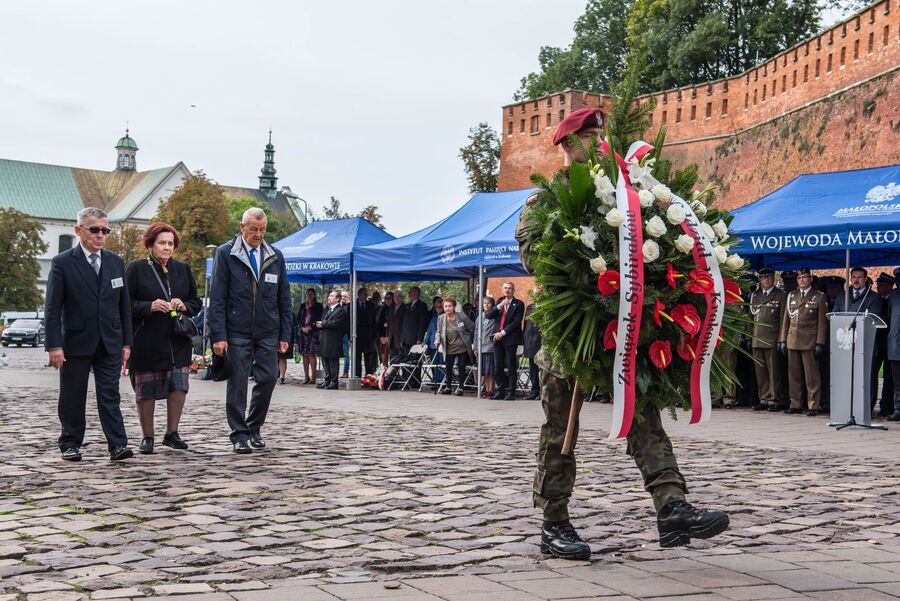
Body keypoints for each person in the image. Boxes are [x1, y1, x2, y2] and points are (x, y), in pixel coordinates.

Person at [516, 107, 728, 560]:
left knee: (642, 410)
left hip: (624, 324)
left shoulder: (625, 193)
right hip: (570, 334)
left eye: (600, 137)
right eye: (589, 138)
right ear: (568, 146)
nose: (597, 145)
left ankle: (672, 507)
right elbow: (536, 260)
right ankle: (554, 523)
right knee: (561, 428)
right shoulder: (543, 204)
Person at [44, 207, 134, 461]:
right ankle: (70, 443)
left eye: (105, 230)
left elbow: (123, 305)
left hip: (110, 341)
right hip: (76, 340)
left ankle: (117, 444)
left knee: (110, 394)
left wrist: (127, 341)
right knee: (73, 394)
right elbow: (52, 307)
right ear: (79, 230)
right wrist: (54, 345)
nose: (100, 235)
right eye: (95, 229)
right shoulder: (63, 262)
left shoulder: (116, 261)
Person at [209, 208, 292, 454]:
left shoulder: (275, 256)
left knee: (268, 378)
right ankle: (239, 434)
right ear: (242, 227)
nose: (258, 234)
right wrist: (219, 335)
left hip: (268, 329)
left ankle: (254, 426)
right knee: (237, 382)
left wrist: (285, 334)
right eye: (254, 229)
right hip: (236, 329)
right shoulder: (226, 253)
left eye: (262, 230)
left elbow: (284, 298)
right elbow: (217, 298)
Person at [124, 222, 202, 454]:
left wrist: (183, 305)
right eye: (162, 243)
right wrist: (149, 306)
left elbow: (196, 302)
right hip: (147, 339)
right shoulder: (135, 268)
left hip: (177, 339)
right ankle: (148, 436)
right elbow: (124, 304)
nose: (167, 248)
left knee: (178, 385)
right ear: (150, 245)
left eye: (171, 244)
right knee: (145, 388)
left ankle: (172, 433)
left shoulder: (183, 269)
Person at [778, 267, 828, 416]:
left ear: (810, 279)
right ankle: (796, 404)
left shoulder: (819, 296)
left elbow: (822, 322)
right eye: (799, 278)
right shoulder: (791, 295)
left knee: (811, 376)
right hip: (792, 339)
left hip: (809, 340)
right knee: (794, 375)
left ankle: (813, 405)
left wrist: (820, 342)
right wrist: (782, 339)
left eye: (805, 277)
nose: (802, 280)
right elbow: (786, 320)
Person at [749, 267, 787, 412]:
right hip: (756, 338)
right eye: (763, 278)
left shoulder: (780, 295)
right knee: (761, 372)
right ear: (760, 280)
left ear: (773, 279)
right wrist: (748, 336)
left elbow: (784, 318)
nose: (766, 280)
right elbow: (750, 318)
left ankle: (774, 399)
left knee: (774, 372)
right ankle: (763, 398)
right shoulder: (755, 295)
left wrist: (781, 339)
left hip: (771, 338)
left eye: (769, 277)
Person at [486, 281, 525, 400]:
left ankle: (511, 392)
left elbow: (516, 322)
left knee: (511, 366)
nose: (507, 290)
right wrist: (499, 306)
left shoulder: (519, 304)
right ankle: (499, 391)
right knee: (498, 366)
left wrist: (502, 333)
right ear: (502, 290)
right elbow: (489, 316)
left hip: (510, 338)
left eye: (509, 288)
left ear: (513, 290)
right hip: (498, 339)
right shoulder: (499, 302)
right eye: (505, 288)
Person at [435, 297, 474, 395]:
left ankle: (461, 387)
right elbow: (438, 332)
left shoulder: (462, 316)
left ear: (454, 307)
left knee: (461, 367)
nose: (447, 308)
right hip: (448, 346)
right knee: (448, 367)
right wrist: (437, 340)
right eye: (445, 306)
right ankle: (448, 387)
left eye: (449, 306)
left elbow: (471, 327)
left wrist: (468, 337)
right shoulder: (441, 318)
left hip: (462, 346)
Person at [317, 290, 349, 389]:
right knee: (325, 360)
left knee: (333, 362)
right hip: (325, 338)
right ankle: (327, 380)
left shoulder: (340, 310)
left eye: (332, 296)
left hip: (334, 340)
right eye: (329, 295)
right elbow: (324, 319)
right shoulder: (328, 308)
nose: (329, 297)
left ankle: (334, 382)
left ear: (338, 299)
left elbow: (335, 323)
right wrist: (322, 323)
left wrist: (323, 324)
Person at [875, 272, 895, 417]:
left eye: (882, 285)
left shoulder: (893, 299)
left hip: (889, 343)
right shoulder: (876, 300)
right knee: (871, 374)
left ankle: (887, 406)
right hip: (876, 343)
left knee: (889, 377)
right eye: (878, 285)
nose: (879, 287)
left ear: (890, 286)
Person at [297, 289, 324, 385]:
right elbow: (299, 319)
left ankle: (313, 377)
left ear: (314, 296)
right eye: (307, 294)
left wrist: (310, 327)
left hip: (313, 333)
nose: (309, 296)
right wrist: (302, 328)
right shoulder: (302, 305)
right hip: (303, 333)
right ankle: (306, 376)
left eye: (311, 294)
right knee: (304, 354)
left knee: (312, 354)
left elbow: (320, 318)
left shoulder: (318, 306)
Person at [354, 287, 378, 376]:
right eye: (364, 294)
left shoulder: (371, 305)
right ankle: (357, 376)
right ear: (359, 295)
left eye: (367, 294)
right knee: (357, 358)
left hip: (369, 337)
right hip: (356, 336)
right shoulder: (352, 305)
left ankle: (369, 376)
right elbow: (348, 322)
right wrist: (350, 336)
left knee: (369, 358)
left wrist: (375, 335)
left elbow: (374, 321)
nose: (366, 296)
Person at [400, 286, 430, 354]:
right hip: (405, 339)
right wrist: (402, 339)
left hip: (415, 338)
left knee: (414, 360)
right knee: (405, 360)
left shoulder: (422, 305)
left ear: (416, 293)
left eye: (410, 292)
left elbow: (422, 323)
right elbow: (403, 323)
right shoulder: (406, 306)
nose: (409, 294)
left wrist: (419, 339)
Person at [480, 297, 499, 399]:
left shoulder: (495, 316)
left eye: (488, 303)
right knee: (485, 372)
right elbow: (476, 332)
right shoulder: (480, 317)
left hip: (491, 346)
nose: (486, 305)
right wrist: (476, 347)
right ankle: (486, 389)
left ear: (492, 305)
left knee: (491, 371)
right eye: (484, 303)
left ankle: (491, 390)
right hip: (482, 346)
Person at [522, 303, 542, 400]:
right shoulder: (529, 307)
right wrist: (524, 338)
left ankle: (543, 392)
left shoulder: (547, 305)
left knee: (543, 369)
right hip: (530, 341)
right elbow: (525, 325)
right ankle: (534, 391)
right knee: (533, 369)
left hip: (541, 341)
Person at [376, 291, 396, 367]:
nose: (387, 300)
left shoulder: (395, 309)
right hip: (382, 337)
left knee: (393, 357)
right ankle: (384, 373)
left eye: (389, 298)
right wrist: (381, 336)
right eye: (386, 298)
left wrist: (389, 337)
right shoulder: (381, 309)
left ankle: (392, 374)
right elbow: (378, 324)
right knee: (383, 357)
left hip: (392, 338)